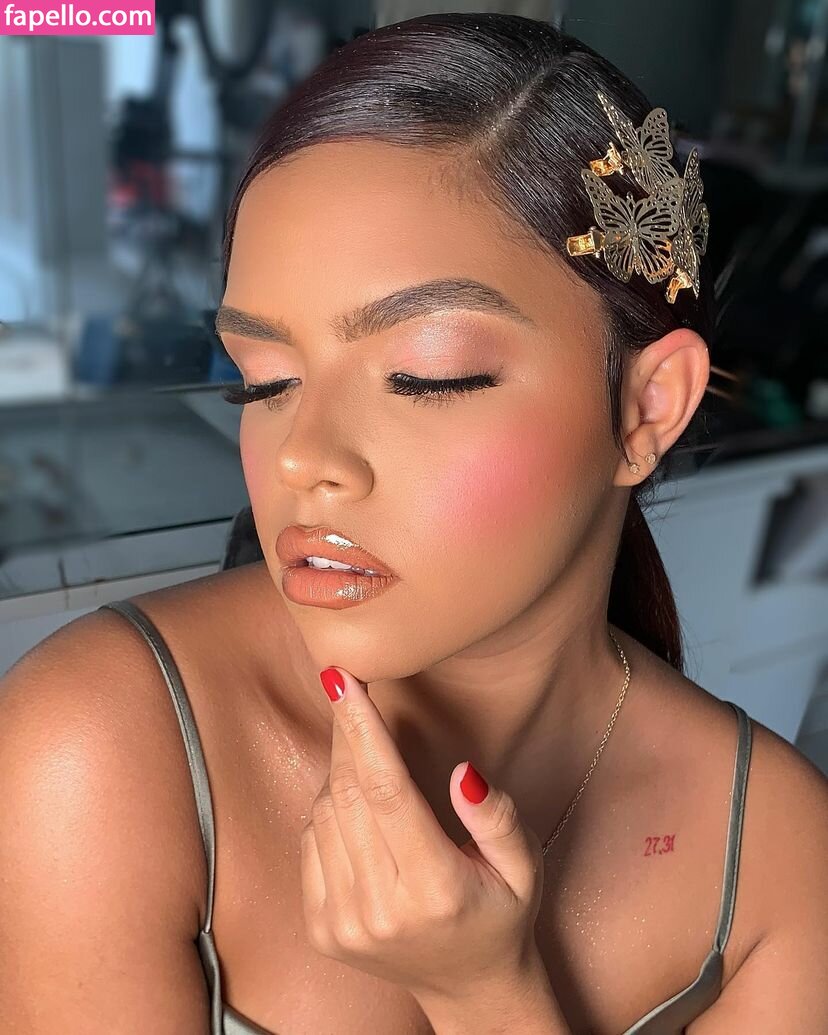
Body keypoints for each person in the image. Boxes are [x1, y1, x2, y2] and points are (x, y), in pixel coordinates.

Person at [1, 12, 827, 1035]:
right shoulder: (98, 750)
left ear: (646, 408)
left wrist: (486, 996)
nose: (302, 457)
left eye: (425, 376)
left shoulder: (776, 855)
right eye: (265, 381)